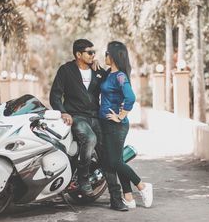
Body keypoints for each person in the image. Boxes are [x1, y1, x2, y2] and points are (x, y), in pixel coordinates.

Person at [49, 39, 128, 211]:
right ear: (78, 54)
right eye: (90, 52)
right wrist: (63, 112)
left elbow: (112, 86)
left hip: (96, 116)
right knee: (89, 138)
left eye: (94, 52)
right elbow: (55, 94)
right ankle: (83, 178)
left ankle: (116, 198)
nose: (94, 55)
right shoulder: (66, 70)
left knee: (107, 156)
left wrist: (121, 107)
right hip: (77, 117)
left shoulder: (98, 71)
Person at [99, 41, 153, 209]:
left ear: (113, 56)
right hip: (106, 124)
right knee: (118, 160)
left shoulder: (120, 76)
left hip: (116, 126)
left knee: (114, 162)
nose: (104, 56)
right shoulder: (109, 73)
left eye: (106, 53)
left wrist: (120, 116)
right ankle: (128, 198)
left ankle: (142, 186)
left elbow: (130, 97)